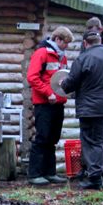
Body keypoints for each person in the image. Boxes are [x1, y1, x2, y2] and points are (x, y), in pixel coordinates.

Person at [61, 30, 103, 190]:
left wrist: (62, 84)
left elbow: (70, 84)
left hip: (93, 109)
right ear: (100, 41)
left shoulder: (83, 58)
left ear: (85, 43)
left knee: (94, 143)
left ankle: (95, 178)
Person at [25, 26, 73, 186]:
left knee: (52, 139)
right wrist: (48, 93)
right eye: (66, 42)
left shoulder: (62, 57)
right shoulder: (42, 53)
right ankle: (34, 174)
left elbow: (62, 78)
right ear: (58, 39)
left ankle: (49, 172)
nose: (67, 46)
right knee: (42, 137)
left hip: (58, 103)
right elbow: (32, 77)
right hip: (44, 104)